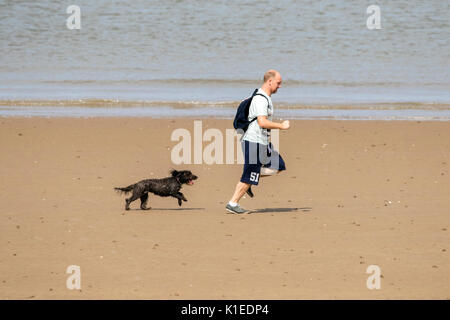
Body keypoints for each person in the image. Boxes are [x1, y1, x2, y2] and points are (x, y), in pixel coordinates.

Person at [226, 70, 290, 214]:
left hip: (262, 141)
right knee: (250, 174)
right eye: (278, 83)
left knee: (278, 165)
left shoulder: (264, 97)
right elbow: (262, 122)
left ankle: (248, 178)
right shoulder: (260, 99)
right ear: (270, 81)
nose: (280, 86)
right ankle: (233, 203)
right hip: (253, 141)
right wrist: (281, 126)